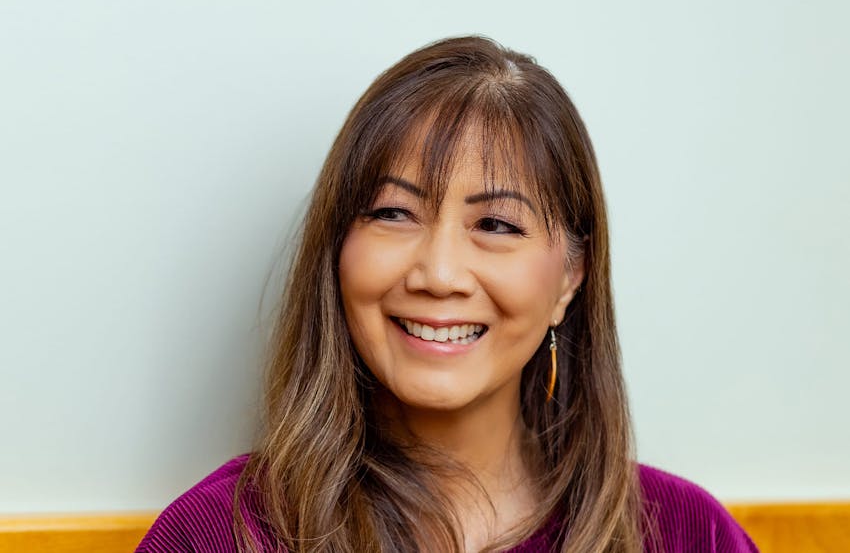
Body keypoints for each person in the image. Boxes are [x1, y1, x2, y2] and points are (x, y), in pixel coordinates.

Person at [136, 35, 759, 553]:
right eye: (394, 213)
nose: (438, 273)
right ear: (336, 248)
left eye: (495, 225)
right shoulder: (219, 535)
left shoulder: (688, 534)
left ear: (570, 278)